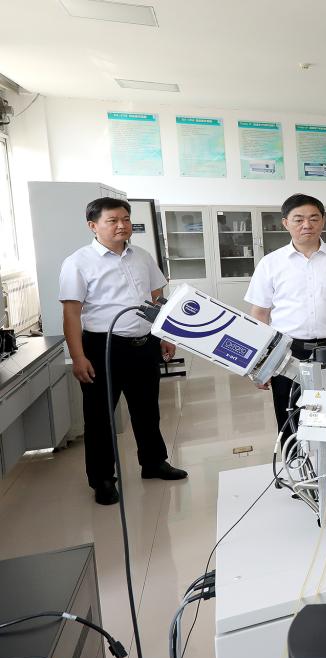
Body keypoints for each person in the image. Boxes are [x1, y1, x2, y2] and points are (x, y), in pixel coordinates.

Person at [59, 197, 188, 505]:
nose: (122, 225)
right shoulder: (78, 262)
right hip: (103, 347)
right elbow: (71, 314)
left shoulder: (141, 256)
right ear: (93, 226)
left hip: (144, 344)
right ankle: (102, 479)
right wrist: (78, 356)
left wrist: (166, 335)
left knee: (147, 410)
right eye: (113, 220)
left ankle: (153, 462)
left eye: (126, 219)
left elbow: (157, 298)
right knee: (100, 416)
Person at [245, 194, 326, 444]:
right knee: (290, 417)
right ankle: (294, 462)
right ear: (286, 223)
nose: (307, 225)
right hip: (286, 352)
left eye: (313, 218)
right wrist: (260, 362)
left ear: (323, 221)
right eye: (299, 219)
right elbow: (260, 313)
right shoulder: (270, 263)